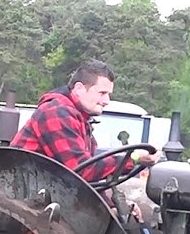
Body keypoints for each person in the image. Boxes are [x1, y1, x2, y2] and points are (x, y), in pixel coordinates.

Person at [11, 59, 158, 183]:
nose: (106, 101)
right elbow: (81, 171)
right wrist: (133, 158)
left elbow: (88, 183)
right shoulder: (55, 112)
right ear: (79, 88)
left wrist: (112, 206)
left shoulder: (82, 121)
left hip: (45, 187)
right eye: (102, 93)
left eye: (108, 95)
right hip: (21, 189)